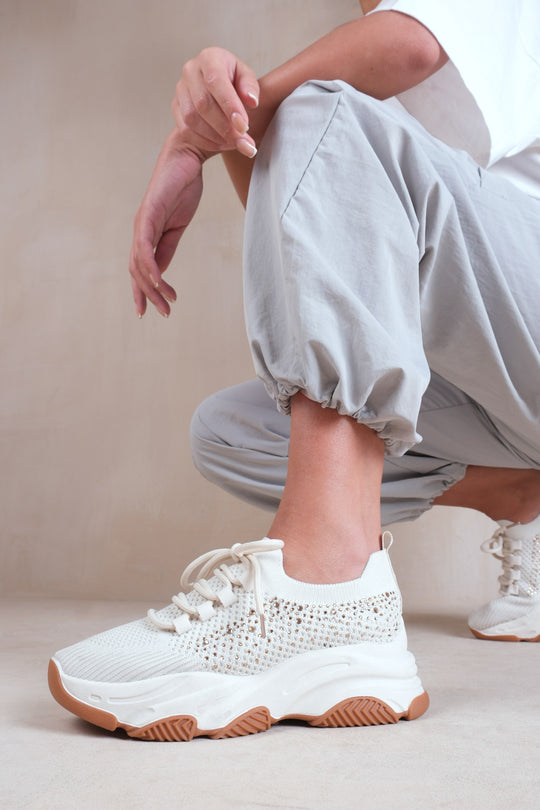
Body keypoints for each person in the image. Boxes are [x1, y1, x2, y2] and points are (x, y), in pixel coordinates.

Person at [48, 0, 540, 740]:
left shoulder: (406, 34)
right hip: (509, 379)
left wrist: (209, 129)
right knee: (231, 431)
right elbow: (311, 235)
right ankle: (523, 496)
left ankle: (326, 586)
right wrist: (242, 127)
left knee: (318, 108)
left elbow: (400, 53)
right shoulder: (371, 58)